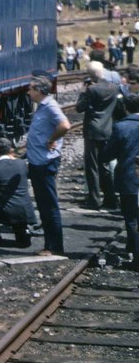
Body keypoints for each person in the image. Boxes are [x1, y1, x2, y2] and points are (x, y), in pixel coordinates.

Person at [25, 76, 71, 256]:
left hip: (45, 163)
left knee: (48, 206)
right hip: (39, 162)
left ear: (39, 90)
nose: (28, 92)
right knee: (44, 205)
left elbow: (65, 125)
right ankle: (49, 245)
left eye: (31, 89)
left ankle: (54, 247)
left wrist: (52, 139)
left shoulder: (51, 106)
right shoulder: (44, 106)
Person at [75, 61, 123, 210]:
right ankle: (111, 199)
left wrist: (83, 91)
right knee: (105, 166)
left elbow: (79, 108)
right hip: (107, 130)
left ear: (90, 75)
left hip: (92, 131)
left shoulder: (91, 90)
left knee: (92, 167)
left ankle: (94, 199)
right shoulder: (114, 88)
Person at [103, 94, 139, 270]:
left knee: (131, 218)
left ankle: (135, 254)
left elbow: (108, 154)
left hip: (128, 178)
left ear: (125, 108)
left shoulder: (120, 127)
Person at [0, 138, 37, 247]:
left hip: (3, 212)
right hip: (25, 211)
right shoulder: (22, 164)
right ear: (10, 150)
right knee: (15, 198)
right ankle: (23, 234)